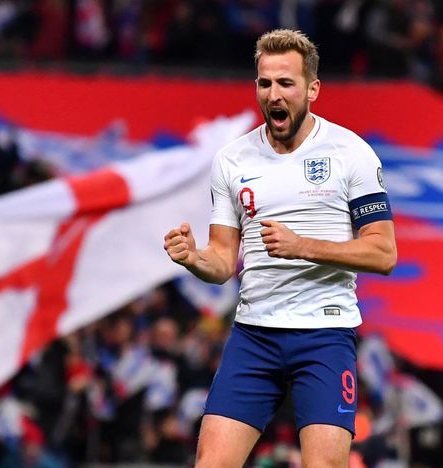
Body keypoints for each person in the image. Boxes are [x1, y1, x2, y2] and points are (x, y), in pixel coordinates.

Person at [163, 29, 397, 467]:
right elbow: (220, 260)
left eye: (285, 83)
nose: (273, 94)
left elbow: (383, 254)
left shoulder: (352, 154)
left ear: (312, 88)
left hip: (325, 336)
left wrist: (302, 245)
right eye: (264, 83)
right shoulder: (233, 160)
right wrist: (193, 258)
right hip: (255, 335)